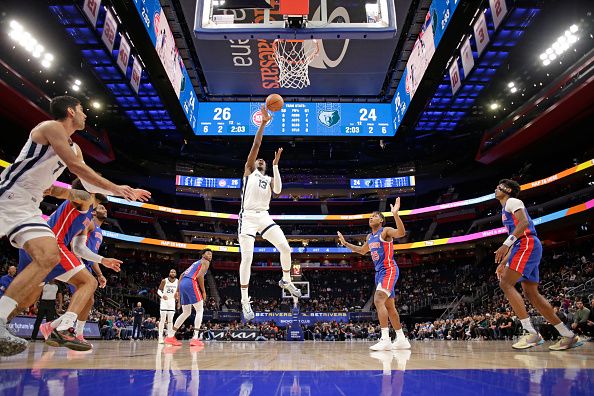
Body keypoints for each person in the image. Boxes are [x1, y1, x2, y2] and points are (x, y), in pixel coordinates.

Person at [0, 96, 150, 356]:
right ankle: (63, 328)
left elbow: (86, 182)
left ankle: (2, 320)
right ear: (70, 111)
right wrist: (117, 188)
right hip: (9, 195)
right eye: (82, 111)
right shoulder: (51, 128)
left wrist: (118, 191)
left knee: (49, 256)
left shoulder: (76, 149)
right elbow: (75, 167)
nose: (85, 116)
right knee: (58, 269)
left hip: (30, 207)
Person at [18, 185, 123, 351]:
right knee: (89, 285)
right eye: (101, 205)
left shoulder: (91, 221)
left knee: (24, 299)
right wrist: (48, 189)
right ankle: (67, 329)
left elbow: (80, 248)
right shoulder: (85, 204)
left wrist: (103, 261)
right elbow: (65, 193)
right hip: (54, 246)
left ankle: (51, 326)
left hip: (41, 247)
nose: (104, 208)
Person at [494, 179, 581, 350]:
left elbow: (524, 224)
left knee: (505, 283)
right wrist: (503, 262)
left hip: (527, 244)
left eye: (499, 186)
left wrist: (505, 244)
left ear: (508, 189)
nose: (496, 189)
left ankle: (531, 333)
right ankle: (568, 335)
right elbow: (517, 236)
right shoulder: (505, 209)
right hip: (525, 245)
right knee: (531, 293)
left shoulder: (512, 201)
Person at [238, 105, 301, 321]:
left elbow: (279, 190)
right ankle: (245, 301)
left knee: (285, 247)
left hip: (264, 216)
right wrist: (263, 123)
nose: (260, 160)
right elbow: (256, 144)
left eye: (263, 160)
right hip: (247, 217)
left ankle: (286, 279)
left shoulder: (268, 177)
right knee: (247, 258)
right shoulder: (249, 172)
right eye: (260, 160)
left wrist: (275, 165)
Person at [337, 198, 411, 351]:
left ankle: (385, 339)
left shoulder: (385, 231)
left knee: (378, 300)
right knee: (390, 306)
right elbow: (362, 251)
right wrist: (345, 244)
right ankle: (402, 339)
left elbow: (402, 233)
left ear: (382, 220)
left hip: (389, 269)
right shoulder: (369, 237)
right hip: (379, 273)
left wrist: (395, 214)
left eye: (375, 216)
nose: (371, 218)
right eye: (370, 216)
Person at [165, 249, 212, 347]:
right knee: (200, 310)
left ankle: (170, 336)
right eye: (208, 253)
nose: (210, 255)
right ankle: (195, 338)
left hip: (183, 283)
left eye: (211, 254)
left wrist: (177, 290)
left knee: (186, 312)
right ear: (203, 255)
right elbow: (200, 276)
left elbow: (182, 275)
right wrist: (203, 291)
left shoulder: (195, 263)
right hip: (191, 282)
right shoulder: (205, 261)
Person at [157, 269, 179, 344]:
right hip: (164, 301)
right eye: (171, 272)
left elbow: (178, 292)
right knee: (162, 319)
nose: (173, 273)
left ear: (175, 274)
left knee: (170, 321)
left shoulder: (177, 281)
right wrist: (163, 295)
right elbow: (159, 291)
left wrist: (178, 301)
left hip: (172, 301)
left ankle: (169, 337)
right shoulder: (164, 281)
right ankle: (160, 337)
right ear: (169, 273)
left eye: (174, 272)